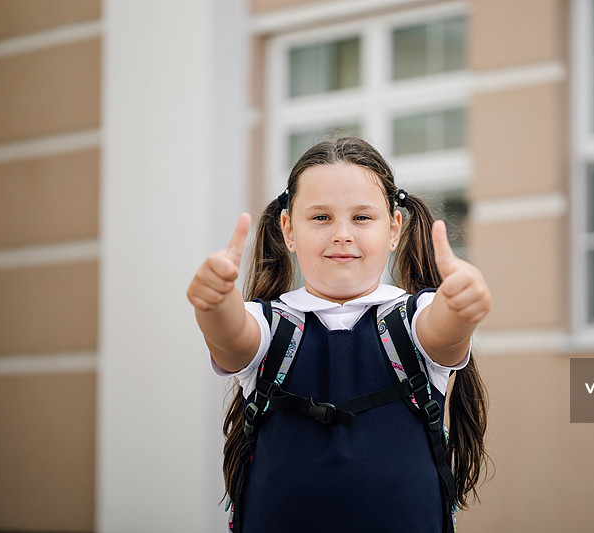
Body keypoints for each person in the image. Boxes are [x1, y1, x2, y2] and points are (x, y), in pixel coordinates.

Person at [187, 137, 491, 532]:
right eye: (321, 218)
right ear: (288, 230)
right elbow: (231, 336)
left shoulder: (412, 321)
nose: (342, 234)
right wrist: (213, 302)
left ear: (394, 229)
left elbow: (445, 329)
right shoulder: (271, 328)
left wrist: (461, 304)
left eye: (362, 218)